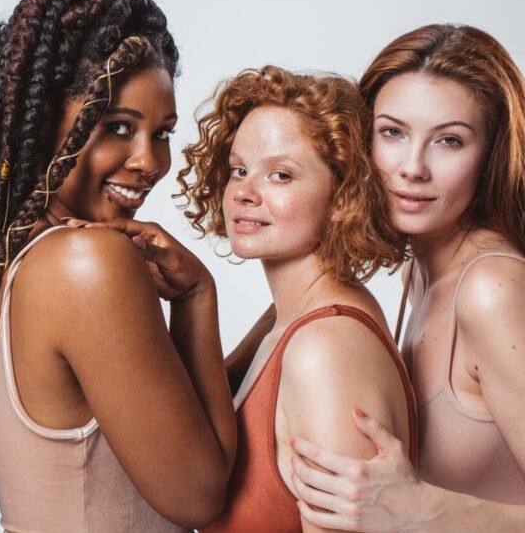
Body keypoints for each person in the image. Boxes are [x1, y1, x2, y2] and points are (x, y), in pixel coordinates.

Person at [0, 0, 236, 532]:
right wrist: (198, 297)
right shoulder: (87, 263)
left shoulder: (20, 260)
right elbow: (202, 495)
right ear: (44, 119)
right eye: (117, 127)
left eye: (163, 134)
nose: (150, 162)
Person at [290, 24, 525, 531]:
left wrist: (424, 508)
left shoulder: (491, 291)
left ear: (490, 156)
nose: (412, 168)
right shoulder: (420, 270)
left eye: (449, 141)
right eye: (393, 132)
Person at [176, 66, 415, 532]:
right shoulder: (290, 318)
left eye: (280, 175)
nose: (244, 192)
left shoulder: (325, 348)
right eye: (239, 170)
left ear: (344, 196)